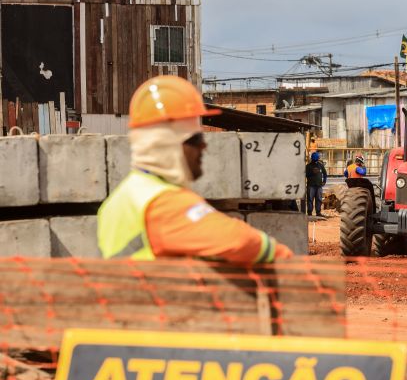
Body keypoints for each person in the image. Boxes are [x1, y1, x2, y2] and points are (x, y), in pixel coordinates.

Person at [97, 75, 293, 263]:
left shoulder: (119, 199)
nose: (204, 146)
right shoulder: (163, 203)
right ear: (169, 145)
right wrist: (281, 256)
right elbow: (239, 241)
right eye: (196, 139)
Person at [305, 151, 327, 217]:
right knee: (310, 199)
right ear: (312, 159)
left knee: (319, 199)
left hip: (319, 186)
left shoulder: (320, 165)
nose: (316, 160)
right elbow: (306, 175)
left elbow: (325, 174)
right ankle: (309, 213)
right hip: (311, 186)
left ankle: (318, 212)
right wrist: (312, 172)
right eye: (315, 159)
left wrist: (324, 181)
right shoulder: (308, 166)